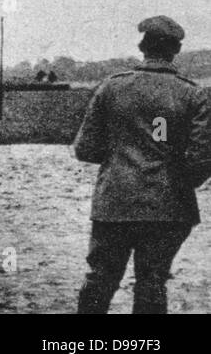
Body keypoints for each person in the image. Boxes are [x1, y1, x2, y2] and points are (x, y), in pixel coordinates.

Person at [74, 16, 211, 314]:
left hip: (115, 203)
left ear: (141, 46)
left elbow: (84, 149)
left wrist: (121, 155)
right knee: (152, 282)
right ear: (175, 50)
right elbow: (202, 157)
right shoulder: (192, 93)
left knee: (101, 278)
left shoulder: (111, 88)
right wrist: (173, 180)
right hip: (168, 208)